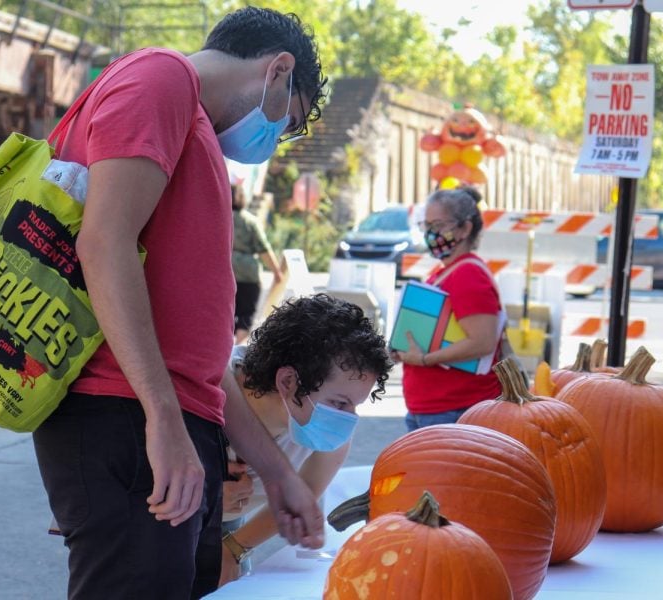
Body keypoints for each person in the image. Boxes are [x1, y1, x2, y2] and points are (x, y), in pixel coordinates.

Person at [31, 7, 329, 599]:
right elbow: (104, 243)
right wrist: (164, 421)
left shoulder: (188, 125)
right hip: (125, 415)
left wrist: (278, 475)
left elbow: (202, 355)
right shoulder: (161, 80)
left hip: (159, 419)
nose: (272, 138)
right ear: (278, 70)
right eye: (285, 123)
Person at [218, 294, 393, 585]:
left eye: (356, 405)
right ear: (287, 382)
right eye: (339, 404)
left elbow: (301, 498)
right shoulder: (211, 391)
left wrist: (233, 549)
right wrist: (205, 501)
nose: (349, 419)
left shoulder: (328, 436)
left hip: (228, 529)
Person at [390, 186, 504, 430]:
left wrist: (424, 359)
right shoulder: (448, 272)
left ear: (465, 228)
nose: (431, 234)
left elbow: (482, 342)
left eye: (439, 225)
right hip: (437, 409)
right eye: (427, 226)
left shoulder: (467, 274)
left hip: (454, 409)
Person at [231, 184, 284, 343]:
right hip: (248, 274)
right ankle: (235, 349)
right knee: (246, 314)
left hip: (224, 271)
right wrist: (277, 271)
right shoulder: (250, 221)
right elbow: (263, 248)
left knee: (224, 312)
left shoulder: (218, 218)